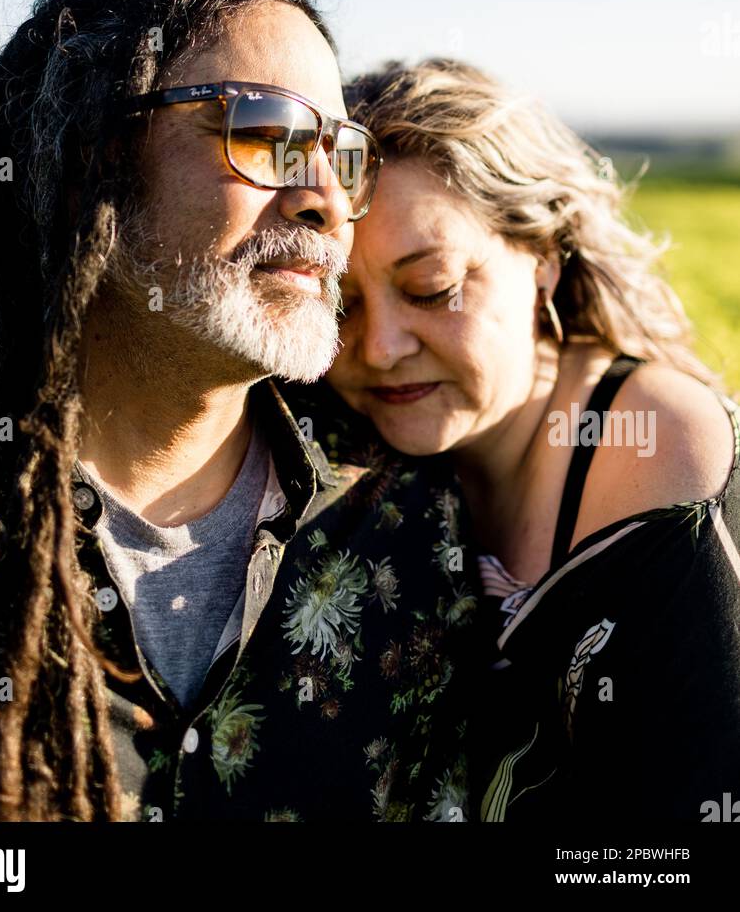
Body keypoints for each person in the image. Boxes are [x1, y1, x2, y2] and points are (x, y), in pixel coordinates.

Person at [0, 0, 477, 823]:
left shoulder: (406, 521)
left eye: (342, 153)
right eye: (266, 132)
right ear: (93, 168)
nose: (329, 200)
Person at [299, 56, 740, 822]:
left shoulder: (655, 450)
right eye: (340, 304)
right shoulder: (337, 439)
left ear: (540, 257)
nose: (377, 348)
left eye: (431, 288)